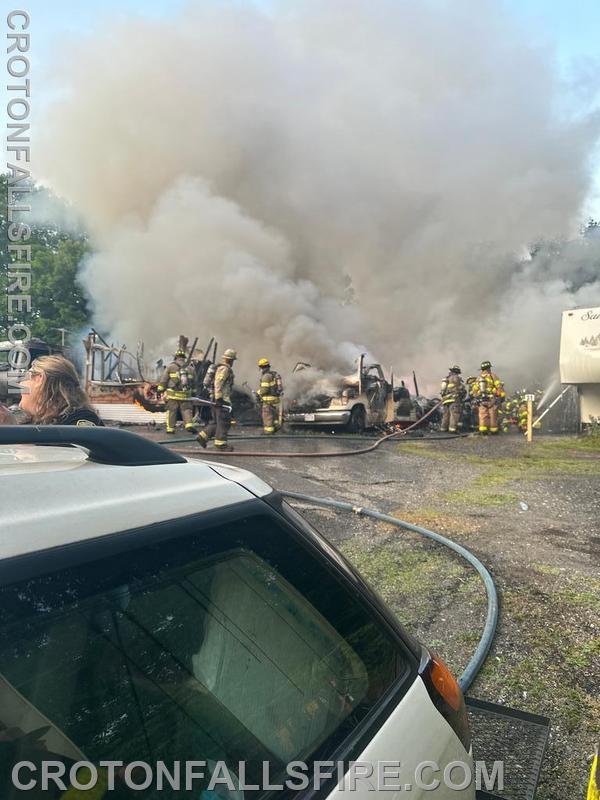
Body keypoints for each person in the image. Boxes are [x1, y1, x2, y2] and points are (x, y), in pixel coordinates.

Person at [0, 355, 104, 426]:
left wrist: (12, 428)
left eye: (25, 377)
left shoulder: (81, 419)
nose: (21, 383)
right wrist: (10, 425)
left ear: (40, 379)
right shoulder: (36, 422)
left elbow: (56, 453)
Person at [197, 348, 237, 451]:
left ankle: (202, 437)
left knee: (216, 422)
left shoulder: (220, 367)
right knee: (224, 421)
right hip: (221, 399)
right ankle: (221, 444)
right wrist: (219, 398)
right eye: (232, 360)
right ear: (230, 360)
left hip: (215, 399)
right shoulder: (225, 369)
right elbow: (218, 382)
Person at [157, 348, 196, 435]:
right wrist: (193, 392)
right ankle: (189, 425)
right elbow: (194, 382)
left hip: (173, 395)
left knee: (172, 411)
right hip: (185, 395)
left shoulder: (171, 367)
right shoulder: (190, 368)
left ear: (176, 357)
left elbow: (164, 380)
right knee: (187, 410)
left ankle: (170, 429)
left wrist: (160, 390)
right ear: (184, 357)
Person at [256, 357, 283, 434]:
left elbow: (264, 390)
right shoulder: (274, 375)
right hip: (275, 400)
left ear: (262, 367)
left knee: (267, 417)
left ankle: (268, 434)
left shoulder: (266, 376)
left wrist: (258, 393)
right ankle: (275, 429)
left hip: (267, 401)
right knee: (273, 417)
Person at [476, 360, 505, 434]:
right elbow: (499, 386)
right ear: (488, 368)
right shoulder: (493, 376)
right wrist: (502, 396)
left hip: (482, 399)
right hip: (491, 399)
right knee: (493, 415)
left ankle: (483, 430)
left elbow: (474, 390)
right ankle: (493, 431)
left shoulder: (478, 378)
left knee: (483, 415)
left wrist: (477, 397)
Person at [439, 365, 466, 433]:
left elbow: (442, 391)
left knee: (446, 415)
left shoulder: (446, 379)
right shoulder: (458, 378)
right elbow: (462, 390)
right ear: (457, 372)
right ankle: (452, 430)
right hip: (454, 399)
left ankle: (443, 428)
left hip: (445, 400)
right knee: (454, 414)